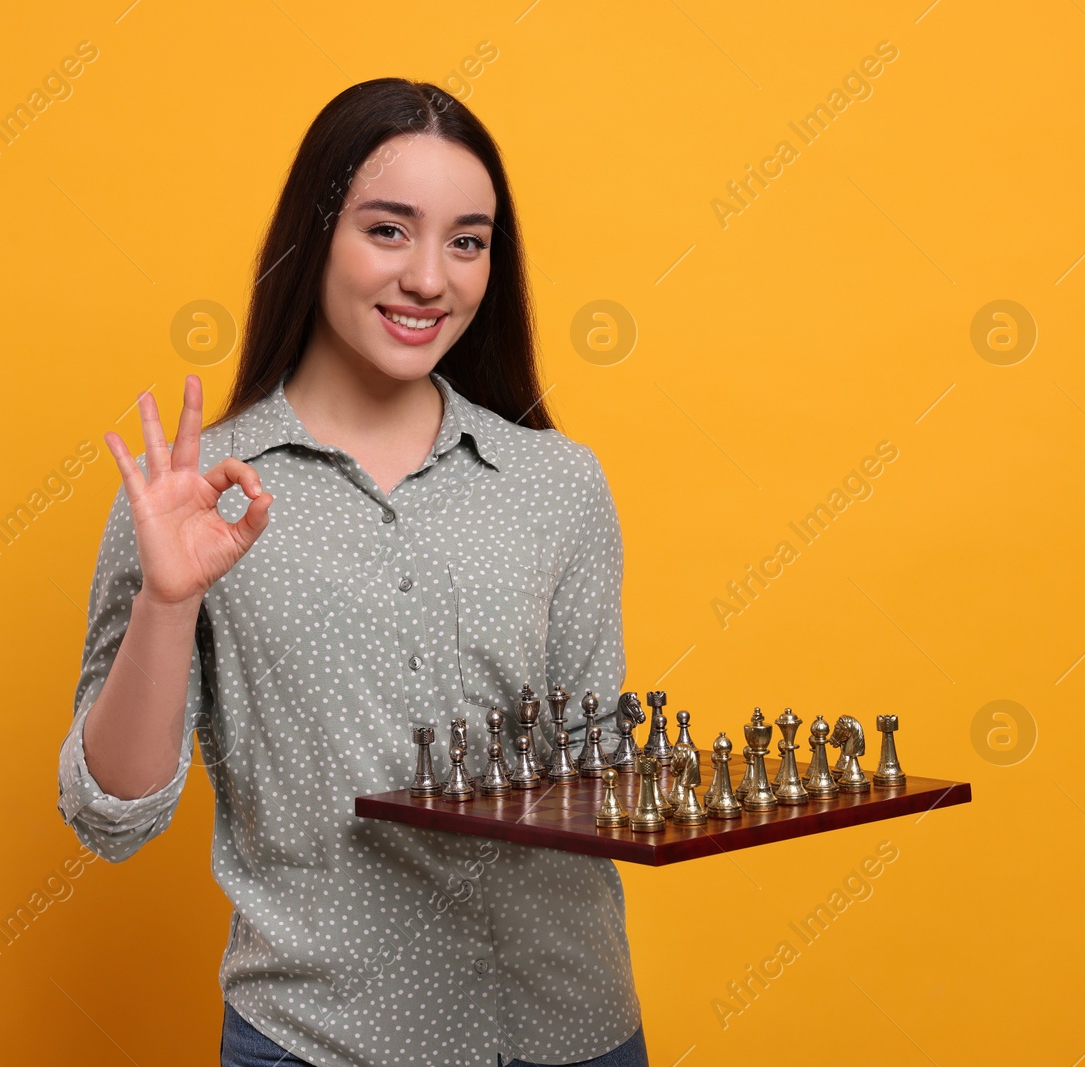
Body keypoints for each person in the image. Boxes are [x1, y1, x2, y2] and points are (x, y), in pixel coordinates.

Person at [57, 78, 649, 1067]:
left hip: (566, 1027)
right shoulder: (195, 495)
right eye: (388, 230)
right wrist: (170, 601)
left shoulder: (558, 482)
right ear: (316, 236)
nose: (429, 277)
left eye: (467, 240)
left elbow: (592, 763)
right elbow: (109, 814)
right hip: (320, 1038)